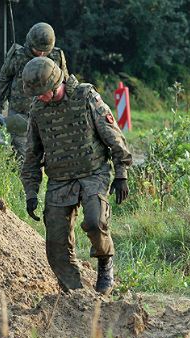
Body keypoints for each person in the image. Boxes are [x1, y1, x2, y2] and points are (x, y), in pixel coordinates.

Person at [20, 57, 133, 295]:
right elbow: (31, 155)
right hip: (60, 180)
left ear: (55, 85)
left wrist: (121, 173)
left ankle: (105, 262)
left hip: (93, 173)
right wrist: (31, 192)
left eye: (42, 93)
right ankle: (75, 294)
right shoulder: (38, 110)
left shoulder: (85, 97)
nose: (39, 97)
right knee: (55, 245)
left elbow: (113, 134)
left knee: (94, 222)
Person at [0, 22, 69, 161]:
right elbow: (3, 80)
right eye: (38, 50)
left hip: (49, 113)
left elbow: (65, 83)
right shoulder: (17, 56)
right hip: (20, 114)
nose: (42, 54)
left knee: (53, 156)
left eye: (45, 51)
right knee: (23, 158)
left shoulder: (57, 56)